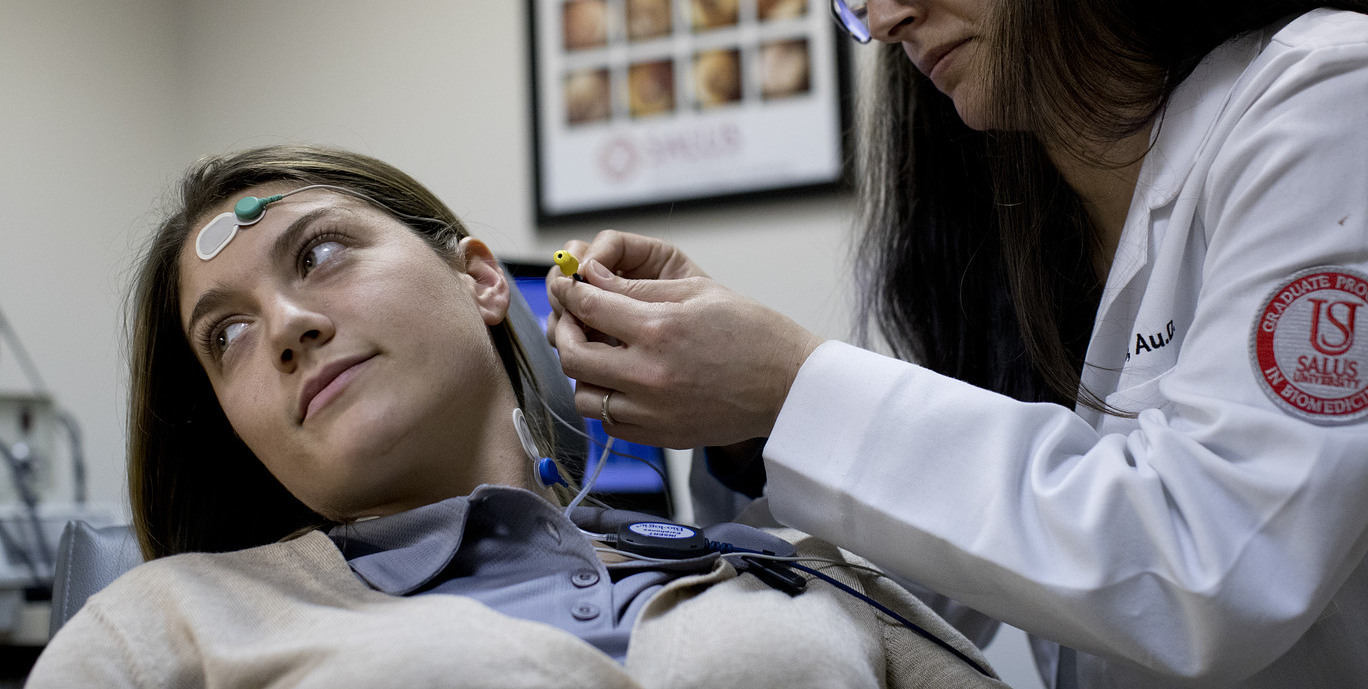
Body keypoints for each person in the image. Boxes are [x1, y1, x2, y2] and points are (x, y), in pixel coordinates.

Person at [546, 0, 1368, 687]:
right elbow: (943, 575)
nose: (886, 16)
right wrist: (747, 426)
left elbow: (1217, 568)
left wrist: (789, 386)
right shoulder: (1023, 228)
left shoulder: (1329, 100)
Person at [26, 144, 1003, 689]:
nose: (283, 326)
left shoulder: (771, 572)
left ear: (480, 278)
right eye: (225, 336)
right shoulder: (165, 625)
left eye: (318, 254)